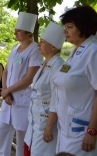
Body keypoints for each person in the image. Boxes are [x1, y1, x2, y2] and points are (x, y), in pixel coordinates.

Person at [48, 6, 97, 155]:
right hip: (66, 128)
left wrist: (92, 131)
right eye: (65, 26)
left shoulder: (93, 52)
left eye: (70, 27)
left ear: (83, 27)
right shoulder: (75, 52)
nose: (65, 31)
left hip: (82, 132)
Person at [0, 12, 43, 156]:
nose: (15, 32)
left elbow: (30, 78)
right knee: (3, 130)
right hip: (8, 98)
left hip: (23, 99)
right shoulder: (14, 48)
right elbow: (5, 72)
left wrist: (8, 90)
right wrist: (5, 91)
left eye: (19, 30)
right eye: (15, 29)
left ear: (29, 32)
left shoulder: (35, 50)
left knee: (21, 138)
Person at [22, 22, 65, 156]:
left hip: (45, 122)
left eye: (43, 42)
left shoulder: (58, 65)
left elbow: (55, 99)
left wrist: (49, 127)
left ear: (53, 47)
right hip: (35, 120)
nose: (39, 45)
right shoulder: (44, 63)